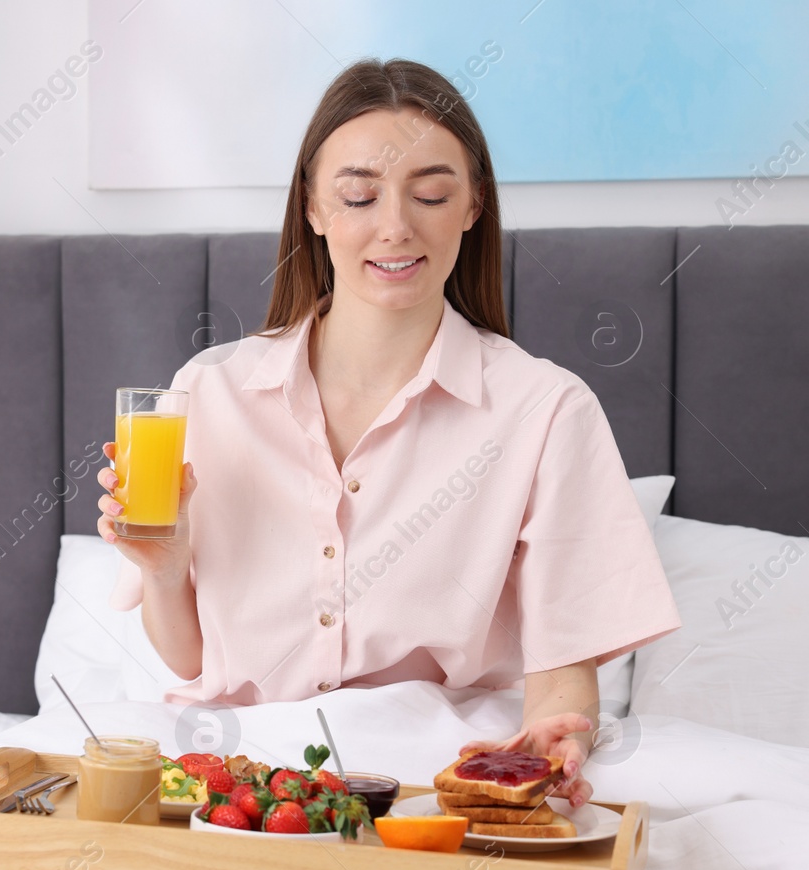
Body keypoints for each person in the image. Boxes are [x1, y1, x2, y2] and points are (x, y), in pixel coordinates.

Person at [95, 58, 680, 808]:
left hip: (427, 785)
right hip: (233, 787)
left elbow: (565, 664)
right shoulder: (207, 393)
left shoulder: (546, 411)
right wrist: (165, 569)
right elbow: (187, 660)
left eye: (431, 193)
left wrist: (557, 736)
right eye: (359, 194)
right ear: (312, 207)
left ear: (472, 205)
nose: (396, 226)